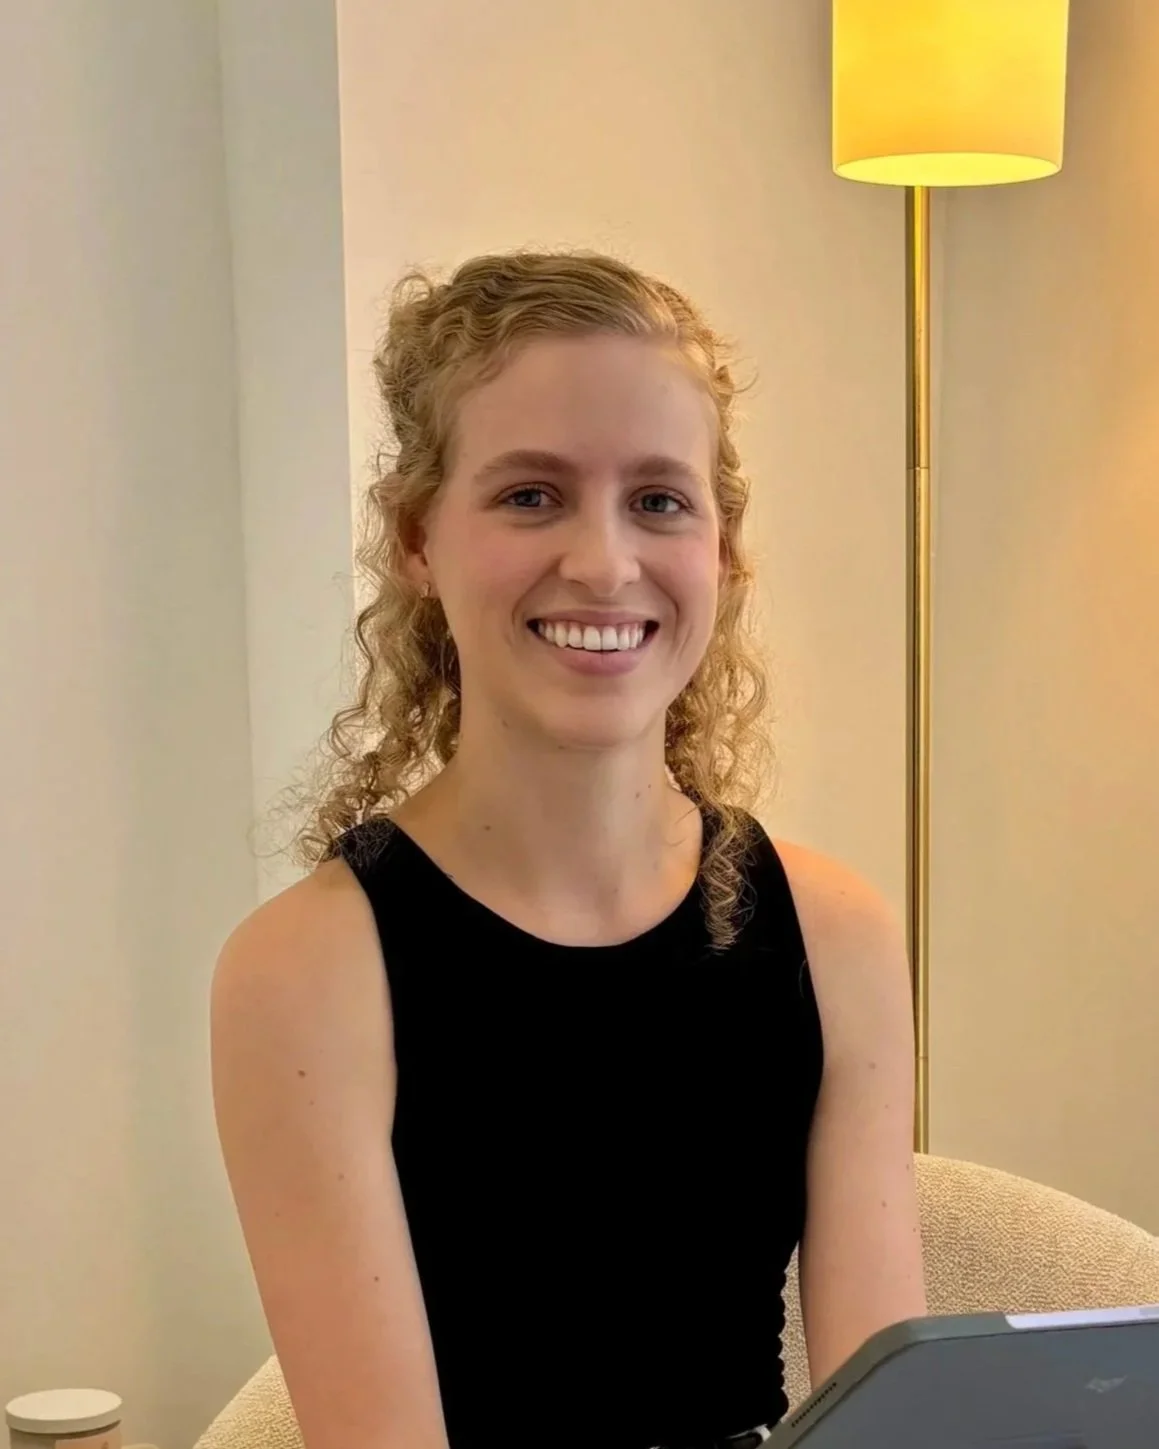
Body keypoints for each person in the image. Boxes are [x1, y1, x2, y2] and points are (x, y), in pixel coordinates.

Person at [210, 250, 926, 1449]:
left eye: (658, 500)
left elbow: (886, 1422)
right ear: (417, 540)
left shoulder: (835, 930)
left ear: (723, 551)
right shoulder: (304, 975)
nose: (603, 562)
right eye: (531, 495)